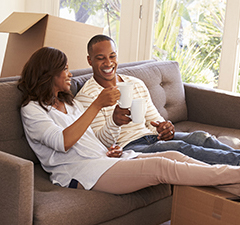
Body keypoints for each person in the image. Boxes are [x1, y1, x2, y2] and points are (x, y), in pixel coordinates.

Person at [18, 47, 240, 196]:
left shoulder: (68, 103)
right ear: (48, 74)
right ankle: (235, 174)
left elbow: (88, 139)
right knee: (161, 166)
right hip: (81, 173)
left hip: (103, 160)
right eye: (65, 69)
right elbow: (62, 142)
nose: (70, 74)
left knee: (174, 155)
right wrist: (97, 105)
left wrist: (106, 149)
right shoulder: (32, 110)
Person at [75, 34, 240, 166]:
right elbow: (100, 144)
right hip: (129, 147)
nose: (108, 62)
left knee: (201, 137)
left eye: (112, 56)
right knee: (182, 148)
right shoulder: (88, 96)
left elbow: (154, 121)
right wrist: (114, 122)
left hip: (150, 137)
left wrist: (164, 128)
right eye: (100, 58)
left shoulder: (135, 84)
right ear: (90, 60)